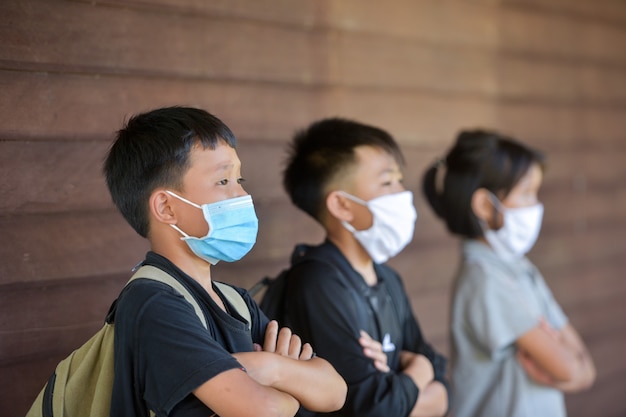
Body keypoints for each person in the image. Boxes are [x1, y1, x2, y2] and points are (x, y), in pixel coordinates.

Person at [103, 106, 347, 417]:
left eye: (239, 178)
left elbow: (335, 392)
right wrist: (291, 385)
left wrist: (269, 367)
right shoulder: (153, 304)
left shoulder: (236, 301)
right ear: (166, 207)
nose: (242, 194)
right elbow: (265, 410)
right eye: (223, 181)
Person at [279, 117, 450, 417]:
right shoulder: (318, 283)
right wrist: (416, 369)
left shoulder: (388, 278)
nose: (401, 192)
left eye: (399, 179)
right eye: (387, 182)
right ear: (342, 205)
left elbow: (441, 380)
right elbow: (374, 410)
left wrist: (407, 375)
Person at [422, 129, 596, 417]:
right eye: (527, 193)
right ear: (484, 205)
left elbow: (585, 370)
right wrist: (570, 364)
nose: (536, 205)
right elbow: (569, 368)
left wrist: (575, 368)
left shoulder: (518, 266)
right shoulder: (485, 280)